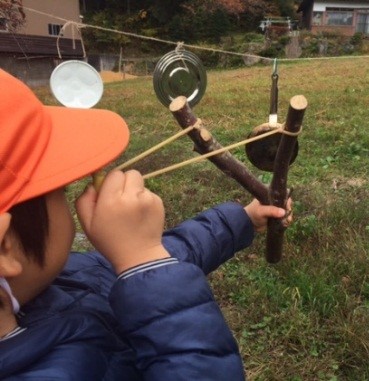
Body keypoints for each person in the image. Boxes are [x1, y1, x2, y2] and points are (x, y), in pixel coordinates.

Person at [0, 68, 292, 380]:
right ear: (6, 248)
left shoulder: (62, 278)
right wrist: (143, 259)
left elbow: (172, 253)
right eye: (59, 191)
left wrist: (242, 219)